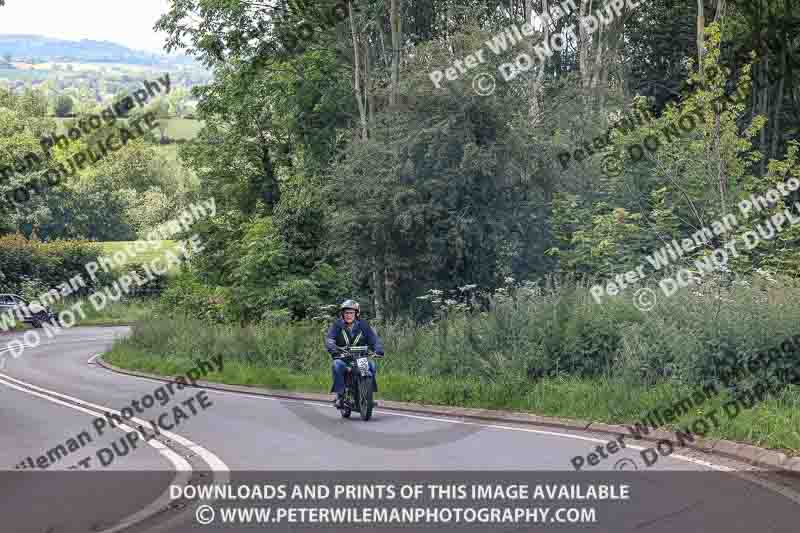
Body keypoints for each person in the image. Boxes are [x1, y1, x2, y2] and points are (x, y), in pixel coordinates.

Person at [325, 299, 384, 408]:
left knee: (371, 365)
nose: (348, 315)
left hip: (361, 358)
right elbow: (330, 339)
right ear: (342, 314)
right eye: (346, 313)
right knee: (337, 365)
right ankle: (340, 395)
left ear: (357, 313)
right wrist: (333, 350)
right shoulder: (337, 325)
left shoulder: (363, 325)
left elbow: (374, 339)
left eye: (351, 313)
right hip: (343, 358)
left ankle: (369, 396)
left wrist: (378, 350)